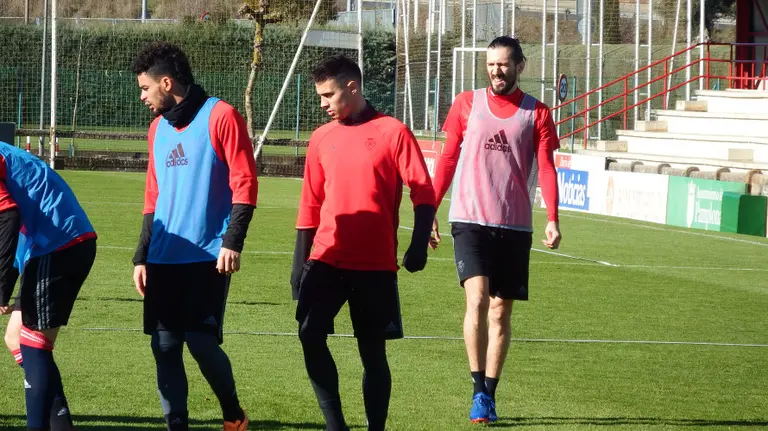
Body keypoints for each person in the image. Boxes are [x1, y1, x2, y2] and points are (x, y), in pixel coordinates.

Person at [290, 55, 436, 431]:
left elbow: (423, 192)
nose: (322, 103)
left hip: (374, 265)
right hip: (325, 258)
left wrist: (417, 245)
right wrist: (298, 264)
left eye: (328, 95)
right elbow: (309, 204)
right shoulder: (321, 137)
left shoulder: (392, 131)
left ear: (352, 88)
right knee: (309, 335)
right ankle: (335, 425)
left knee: (372, 354)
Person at [430, 36, 562, 424]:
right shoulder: (466, 104)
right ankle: (476, 391)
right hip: (469, 219)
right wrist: (429, 211)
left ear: (520, 66)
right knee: (477, 300)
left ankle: (489, 392)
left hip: (515, 224)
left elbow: (548, 167)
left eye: (503, 64)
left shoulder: (537, 113)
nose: (495, 71)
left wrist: (552, 217)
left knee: (501, 312)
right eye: (490, 64)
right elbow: (448, 157)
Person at [130, 41, 258, 431]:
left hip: (207, 256)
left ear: (166, 83)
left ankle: (234, 414)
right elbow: (154, 195)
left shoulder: (221, 116)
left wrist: (232, 240)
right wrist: (141, 255)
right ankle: (177, 425)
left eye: (145, 88)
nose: (142, 96)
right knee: (164, 346)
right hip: (163, 259)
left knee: (201, 344)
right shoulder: (156, 129)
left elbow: (245, 182)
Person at [0, 140, 98, 431]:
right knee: (16, 339)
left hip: (58, 243)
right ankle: (61, 424)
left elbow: (8, 216)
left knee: (34, 343)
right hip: (50, 244)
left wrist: (2, 287)